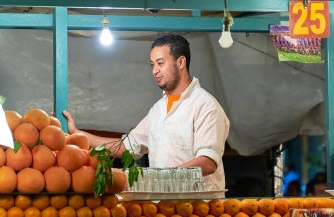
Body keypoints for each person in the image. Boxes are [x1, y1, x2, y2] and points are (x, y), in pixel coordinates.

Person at [63, 34, 230, 196]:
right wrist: (78, 134)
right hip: (163, 207)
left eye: (160, 63)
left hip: (200, 210)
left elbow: (208, 162)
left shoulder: (205, 106)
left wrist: (156, 178)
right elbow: (127, 146)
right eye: (152, 65)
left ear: (181, 62)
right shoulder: (158, 110)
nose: (155, 71)